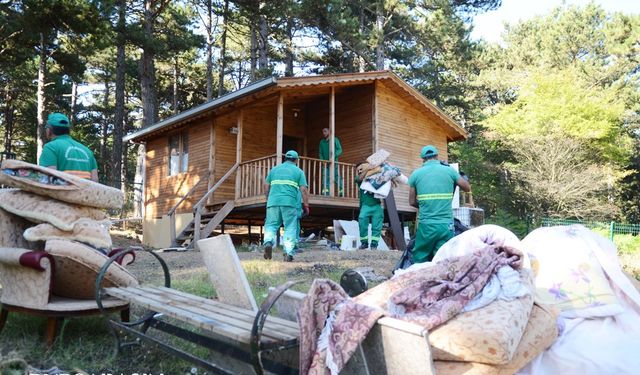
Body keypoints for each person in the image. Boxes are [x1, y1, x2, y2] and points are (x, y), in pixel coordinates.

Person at [408, 145, 471, 263]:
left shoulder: (416, 174)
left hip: (426, 225)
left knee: (420, 257)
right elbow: (467, 187)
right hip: (446, 225)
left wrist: (425, 205)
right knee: (442, 257)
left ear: (423, 158)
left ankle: (420, 279)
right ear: (437, 156)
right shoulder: (449, 171)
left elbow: (411, 201)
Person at [263, 150, 309, 262]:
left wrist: (268, 198)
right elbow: (303, 189)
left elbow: (266, 185)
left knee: (271, 225)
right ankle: (288, 253)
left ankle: (268, 242)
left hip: (273, 202)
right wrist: (306, 205)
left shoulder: (274, 169)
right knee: (290, 227)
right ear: (296, 160)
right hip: (289, 203)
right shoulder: (298, 171)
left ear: (285, 159)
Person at [39, 112, 99, 182]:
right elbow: (95, 180)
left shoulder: (51, 147)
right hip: (85, 192)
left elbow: (48, 178)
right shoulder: (87, 151)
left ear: (49, 130)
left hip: (62, 192)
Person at [355, 165, 384, 250]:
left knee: (377, 226)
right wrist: (367, 169)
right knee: (362, 222)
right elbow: (360, 178)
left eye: (361, 169)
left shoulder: (375, 176)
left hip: (377, 205)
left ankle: (374, 245)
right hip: (365, 206)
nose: (360, 171)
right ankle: (364, 243)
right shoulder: (359, 179)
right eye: (358, 170)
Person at [318, 127, 343, 196]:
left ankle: (341, 192)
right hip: (325, 164)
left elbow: (340, 150)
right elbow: (320, 153)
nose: (324, 133)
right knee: (325, 177)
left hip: (334, 163)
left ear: (329, 132)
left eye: (325, 131)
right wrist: (322, 161)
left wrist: (333, 156)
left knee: (336, 176)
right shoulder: (321, 142)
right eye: (323, 132)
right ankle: (326, 193)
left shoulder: (335, 139)